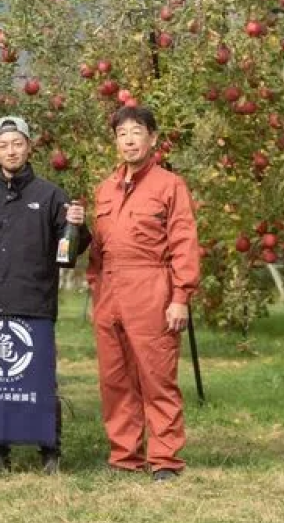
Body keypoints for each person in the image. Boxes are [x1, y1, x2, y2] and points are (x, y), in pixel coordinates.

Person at [0, 116, 89, 474]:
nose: (12, 151)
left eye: (18, 143)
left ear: (28, 147)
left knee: (39, 380)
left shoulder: (51, 196)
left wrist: (79, 223)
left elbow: (70, 248)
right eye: (4, 145)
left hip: (35, 303)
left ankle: (50, 450)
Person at [86, 105, 200, 482]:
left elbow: (184, 242)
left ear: (152, 138)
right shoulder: (105, 188)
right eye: (122, 134)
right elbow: (98, 251)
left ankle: (165, 458)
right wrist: (97, 290)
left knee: (157, 376)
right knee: (114, 379)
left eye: (137, 131)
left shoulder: (170, 185)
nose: (129, 139)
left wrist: (180, 296)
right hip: (110, 290)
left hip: (152, 286)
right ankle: (125, 456)